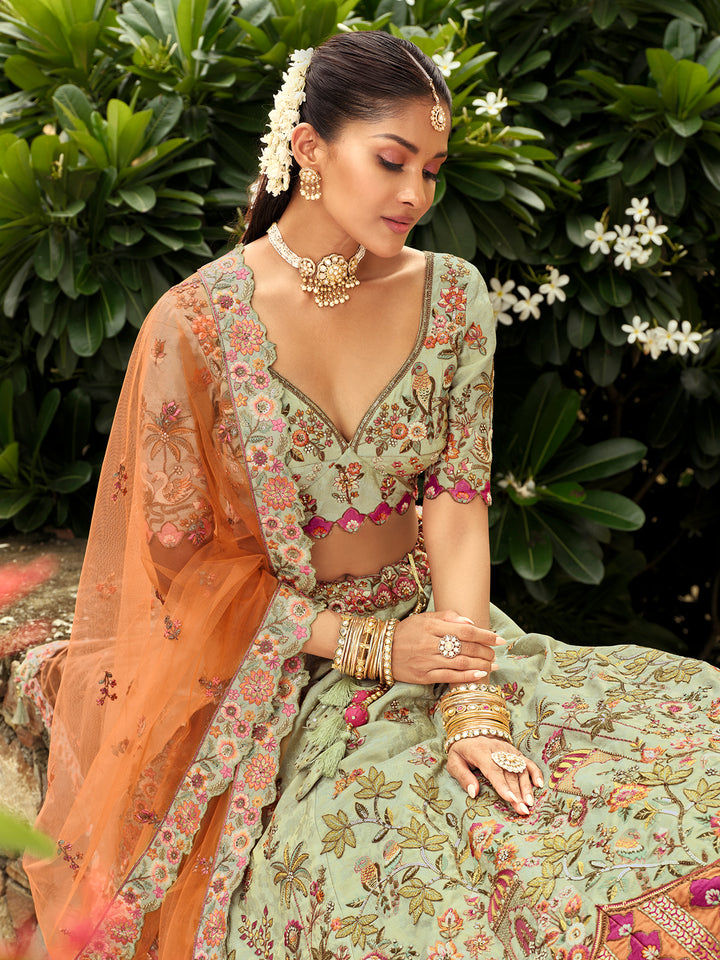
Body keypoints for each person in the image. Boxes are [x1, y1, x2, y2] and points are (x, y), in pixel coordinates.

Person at [23, 31, 720, 960]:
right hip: (285, 675)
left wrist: (470, 698)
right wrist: (368, 646)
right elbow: (185, 573)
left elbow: (459, 505)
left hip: (445, 637)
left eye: (431, 170)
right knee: (409, 876)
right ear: (309, 150)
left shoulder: (454, 296)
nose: (416, 195)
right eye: (392, 162)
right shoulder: (196, 327)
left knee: (675, 755)